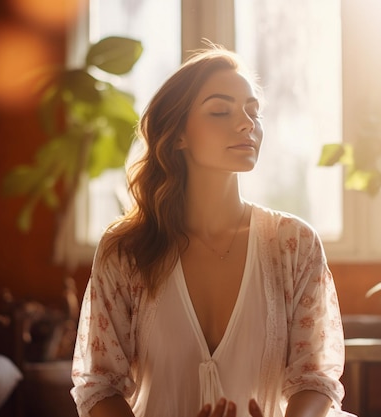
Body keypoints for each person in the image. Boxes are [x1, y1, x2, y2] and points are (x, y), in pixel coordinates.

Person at [71, 45, 354, 417]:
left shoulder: (293, 244)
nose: (247, 123)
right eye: (221, 110)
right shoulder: (126, 250)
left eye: (253, 111)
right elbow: (99, 386)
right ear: (176, 136)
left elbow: (315, 378)